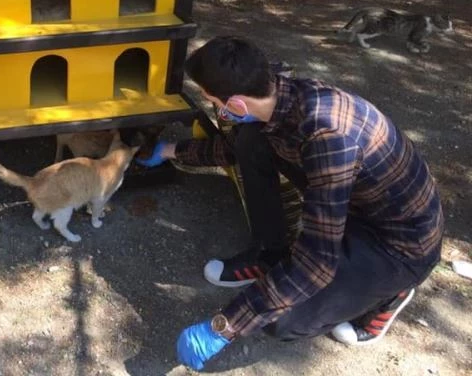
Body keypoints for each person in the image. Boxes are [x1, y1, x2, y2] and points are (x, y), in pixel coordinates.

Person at [137, 36, 444, 371]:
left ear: (237, 105)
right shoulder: (281, 96)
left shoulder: (329, 138)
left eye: (214, 101)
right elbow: (233, 148)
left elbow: (316, 262)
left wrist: (224, 326)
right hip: (358, 204)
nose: (216, 109)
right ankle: (270, 253)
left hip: (399, 246)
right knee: (252, 139)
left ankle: (391, 293)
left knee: (281, 321)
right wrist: (169, 152)